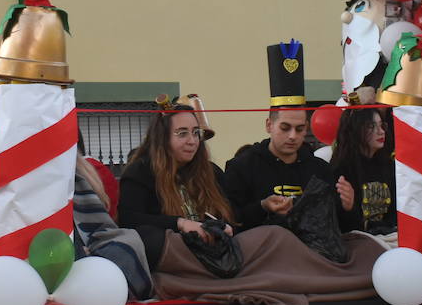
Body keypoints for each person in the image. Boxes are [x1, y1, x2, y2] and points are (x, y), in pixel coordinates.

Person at [223, 41, 332, 228]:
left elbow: (333, 220)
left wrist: (347, 206)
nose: (292, 136)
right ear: (269, 125)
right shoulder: (242, 167)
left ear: (307, 128)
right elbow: (231, 219)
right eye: (285, 128)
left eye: (299, 129)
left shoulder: (319, 170)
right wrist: (262, 207)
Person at [119, 103, 236, 269]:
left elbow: (234, 214)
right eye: (182, 133)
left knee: (270, 234)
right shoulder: (140, 172)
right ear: (163, 137)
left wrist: (223, 228)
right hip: (175, 254)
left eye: (196, 133)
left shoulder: (211, 171)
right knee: (149, 238)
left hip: (216, 251)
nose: (192, 141)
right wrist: (180, 223)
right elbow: (128, 220)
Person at [330, 107, 397, 233]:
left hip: (389, 234)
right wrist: (348, 207)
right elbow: (338, 222)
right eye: (371, 126)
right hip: (356, 237)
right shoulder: (341, 168)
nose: (381, 132)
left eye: (381, 125)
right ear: (356, 130)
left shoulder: (388, 165)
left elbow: (395, 211)